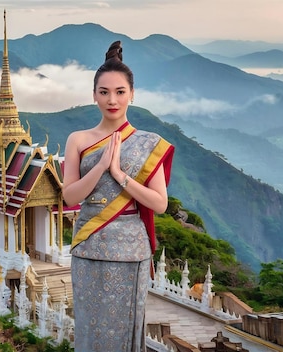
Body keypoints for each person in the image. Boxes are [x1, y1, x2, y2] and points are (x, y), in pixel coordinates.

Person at [63, 40, 174, 351]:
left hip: (131, 251)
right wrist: (100, 166)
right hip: (89, 247)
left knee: (125, 333)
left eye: (120, 92)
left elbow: (159, 204)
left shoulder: (148, 143)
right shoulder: (79, 140)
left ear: (132, 94)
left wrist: (120, 175)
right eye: (104, 92)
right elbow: (70, 196)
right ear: (94, 94)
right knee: (89, 330)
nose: (112, 99)